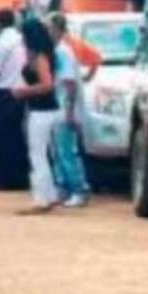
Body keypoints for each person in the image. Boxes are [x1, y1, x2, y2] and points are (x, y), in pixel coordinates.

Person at [12, 18, 60, 214]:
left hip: (42, 110)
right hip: (42, 109)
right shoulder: (39, 54)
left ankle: (41, 198)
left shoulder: (39, 57)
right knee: (42, 154)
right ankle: (49, 195)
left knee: (37, 155)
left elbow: (47, 84)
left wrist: (24, 91)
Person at [0, 9, 29, 190]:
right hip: (21, 90)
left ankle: (1, 180)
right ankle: (20, 178)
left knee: (0, 140)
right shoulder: (20, 39)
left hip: (3, 92)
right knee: (17, 138)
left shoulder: (0, 43)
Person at [47, 14, 90, 207]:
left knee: (66, 151)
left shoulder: (64, 53)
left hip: (64, 109)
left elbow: (70, 84)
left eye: (49, 28)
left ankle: (79, 189)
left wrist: (69, 112)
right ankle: (62, 188)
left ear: (58, 30)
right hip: (55, 107)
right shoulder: (55, 51)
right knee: (56, 151)